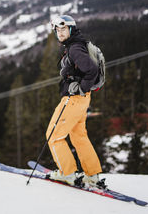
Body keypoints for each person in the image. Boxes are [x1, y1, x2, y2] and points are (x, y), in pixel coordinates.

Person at [46, 15, 105, 189]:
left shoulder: (74, 48)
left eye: (63, 29)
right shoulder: (77, 44)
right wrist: (84, 89)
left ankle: (68, 173)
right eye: (57, 30)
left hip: (73, 99)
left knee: (53, 136)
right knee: (79, 136)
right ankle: (92, 175)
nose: (60, 33)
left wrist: (81, 87)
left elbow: (91, 70)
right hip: (82, 100)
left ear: (71, 29)